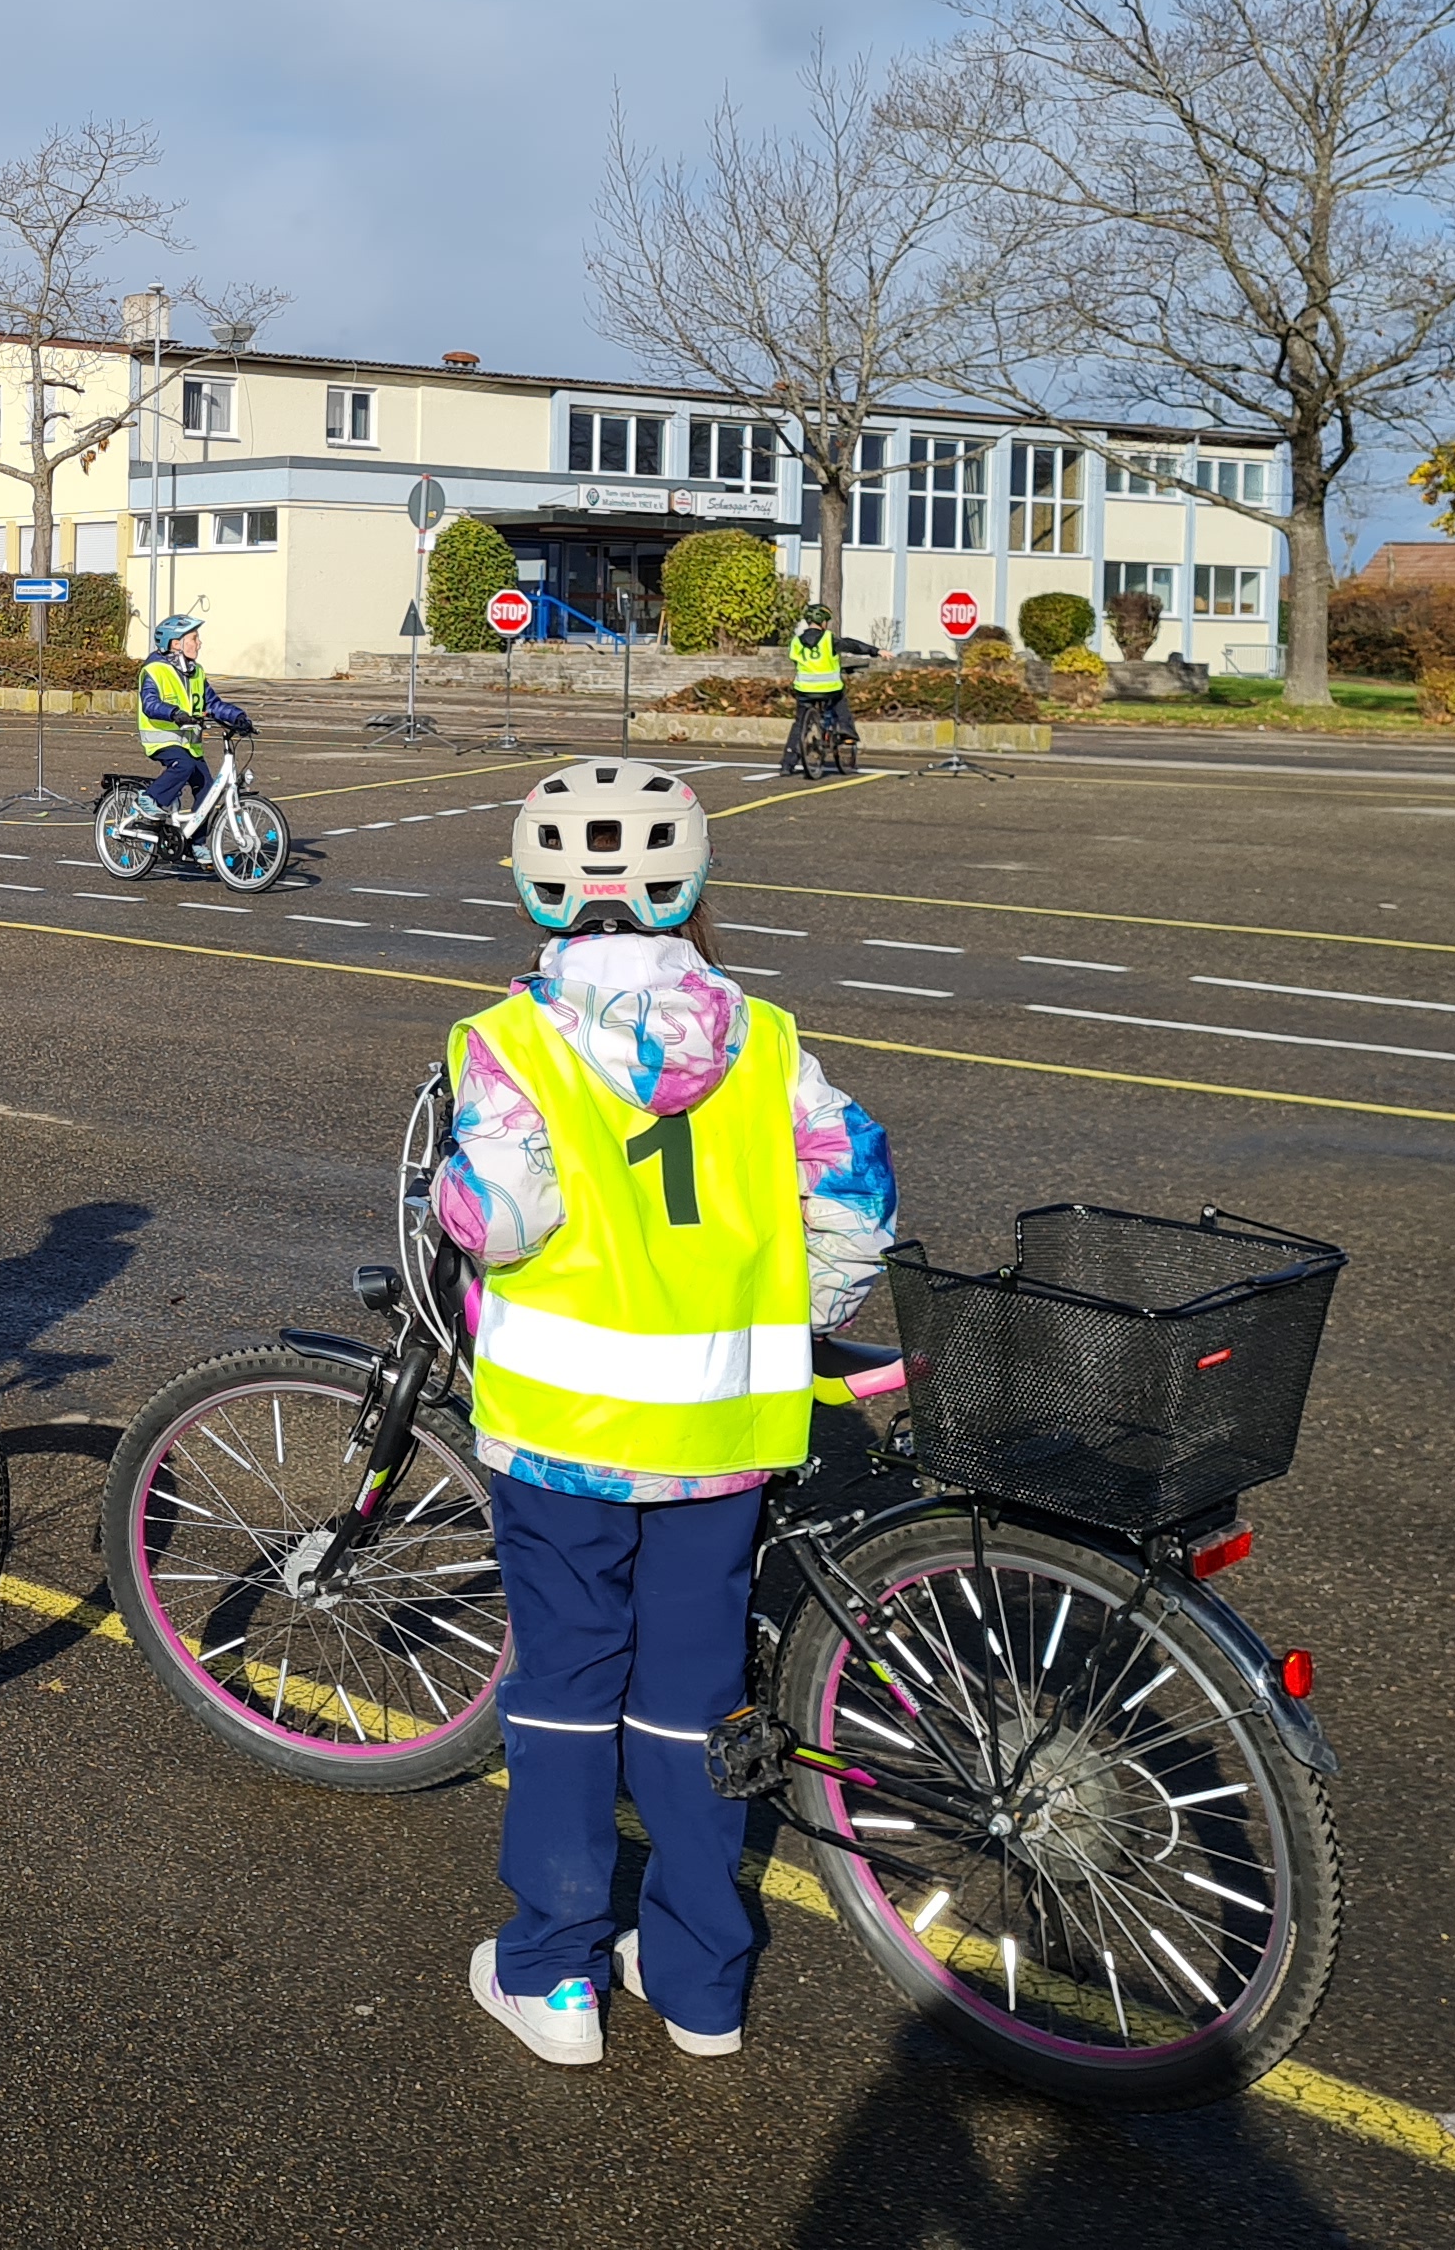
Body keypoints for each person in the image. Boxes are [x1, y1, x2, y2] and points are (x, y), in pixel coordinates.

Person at [440, 758, 896, 2070]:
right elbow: (856, 1205)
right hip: (722, 1440)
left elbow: (508, 1216)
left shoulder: (511, 1044)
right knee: (695, 1697)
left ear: (537, 887)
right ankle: (701, 1986)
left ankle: (555, 1976)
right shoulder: (764, 1042)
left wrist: (451, 1199)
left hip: (567, 1434)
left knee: (567, 1685)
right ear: (688, 884)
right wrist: (786, 1310)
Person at [137, 612, 251, 836]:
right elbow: (150, 704)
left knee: (207, 789)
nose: (199, 643)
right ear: (176, 644)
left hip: (190, 744)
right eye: (194, 638)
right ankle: (149, 799)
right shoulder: (154, 670)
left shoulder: (195, 672)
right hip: (162, 739)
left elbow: (212, 703)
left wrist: (238, 716)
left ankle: (195, 843)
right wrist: (174, 713)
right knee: (184, 765)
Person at [783, 606, 853, 774]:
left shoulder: (796, 641)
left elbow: (796, 661)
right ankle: (846, 731)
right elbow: (852, 645)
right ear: (823, 622)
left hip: (805, 689)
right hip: (829, 689)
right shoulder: (828, 639)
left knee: (800, 724)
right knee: (840, 702)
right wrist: (876, 651)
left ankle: (787, 764)